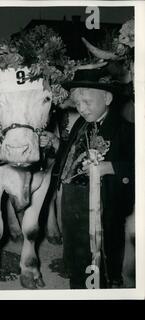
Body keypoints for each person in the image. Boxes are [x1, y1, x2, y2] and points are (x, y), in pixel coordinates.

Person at [51, 67, 135, 288]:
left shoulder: (126, 131)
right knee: (76, 256)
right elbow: (72, 155)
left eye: (87, 102)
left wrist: (112, 167)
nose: (82, 108)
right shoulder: (80, 123)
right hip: (72, 201)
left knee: (100, 259)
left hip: (103, 207)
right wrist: (55, 143)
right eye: (78, 104)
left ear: (107, 98)